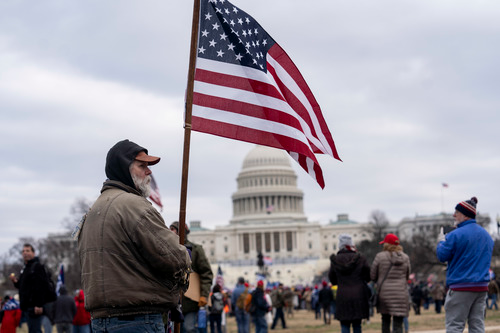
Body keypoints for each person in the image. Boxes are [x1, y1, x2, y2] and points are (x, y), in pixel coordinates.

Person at [77, 139, 191, 332]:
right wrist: (185, 255)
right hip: (138, 319)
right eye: (142, 165)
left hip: (100, 322)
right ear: (124, 168)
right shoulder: (134, 206)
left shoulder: (92, 211)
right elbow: (174, 258)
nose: (149, 171)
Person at [437, 196, 494, 333]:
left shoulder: (455, 235)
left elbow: (442, 256)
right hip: (481, 287)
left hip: (460, 286)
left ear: (465, 215)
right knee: (477, 326)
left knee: (455, 326)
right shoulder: (487, 236)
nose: (454, 215)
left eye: (456, 212)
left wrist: (441, 241)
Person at [170, 221, 213, 333]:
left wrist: (204, 295)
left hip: (190, 302)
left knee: (188, 329)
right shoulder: (167, 250)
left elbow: (206, 273)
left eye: (173, 229)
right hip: (172, 301)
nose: (170, 232)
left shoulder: (196, 250)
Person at [329, 234, 371, 333]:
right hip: (358, 294)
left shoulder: (335, 260)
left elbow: (332, 279)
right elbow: (368, 276)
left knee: (344, 324)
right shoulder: (360, 258)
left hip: (343, 294)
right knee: (357, 324)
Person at [9, 243, 55, 333]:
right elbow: (23, 287)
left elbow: (41, 287)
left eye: (28, 251)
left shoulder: (37, 267)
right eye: (23, 251)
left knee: (35, 330)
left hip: (34, 307)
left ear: (33, 253)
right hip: (27, 307)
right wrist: (16, 282)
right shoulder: (25, 268)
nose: (25, 253)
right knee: (33, 330)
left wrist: (38, 304)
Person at [370, 233, 410, 333]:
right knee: (398, 323)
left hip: (385, 294)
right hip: (401, 293)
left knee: (385, 320)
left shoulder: (380, 257)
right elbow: (407, 276)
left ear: (386, 244)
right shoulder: (405, 258)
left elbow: (372, 276)